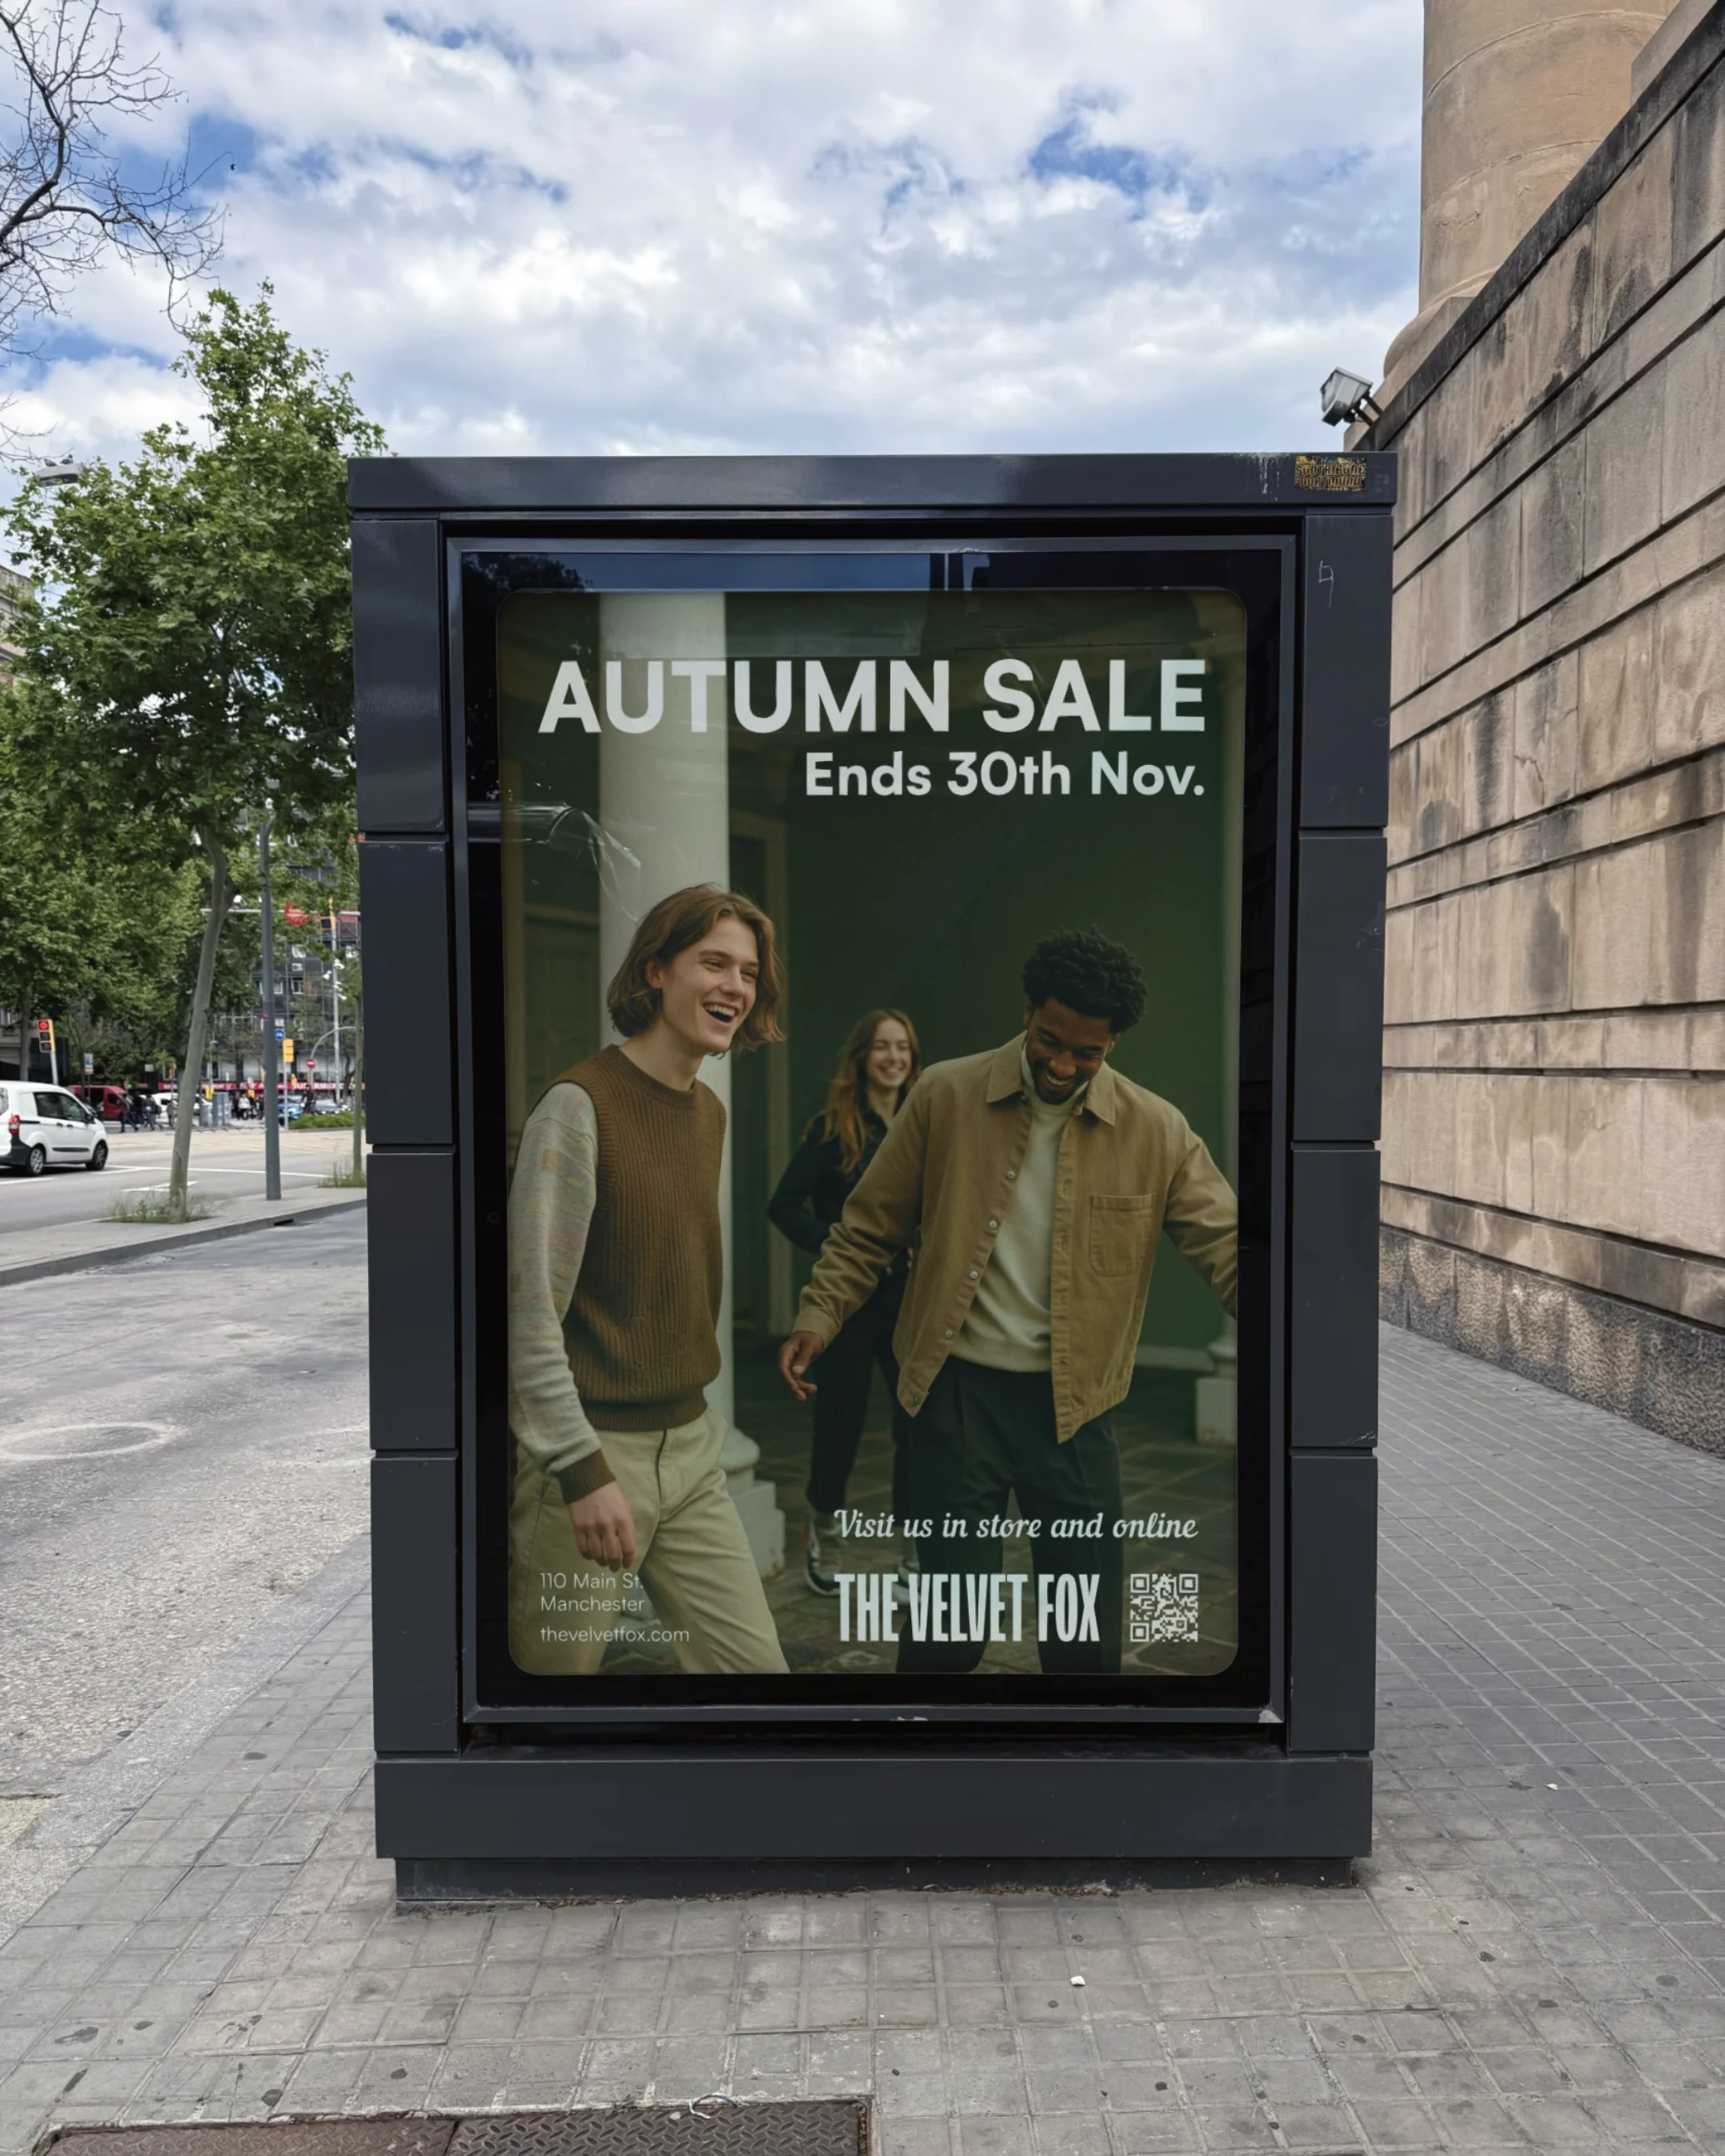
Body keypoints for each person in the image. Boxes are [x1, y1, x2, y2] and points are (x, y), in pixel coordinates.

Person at [779, 928, 1237, 1677]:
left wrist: (1295, 1343)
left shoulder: (1158, 1130)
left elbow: (1227, 1246)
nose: (1061, 1066)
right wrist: (818, 1315)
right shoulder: (945, 1095)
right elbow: (866, 1226)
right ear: (1027, 1010)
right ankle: (927, 1766)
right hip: (957, 1399)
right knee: (947, 1633)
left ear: (1113, 1044)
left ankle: (1073, 1778)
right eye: (1049, 1040)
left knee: (1084, 1641)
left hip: (1079, 1411)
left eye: (1085, 1054)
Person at [509, 882, 791, 1677]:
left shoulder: (708, 1113)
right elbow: (529, 1316)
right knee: (551, 1695)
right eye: (714, 963)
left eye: (747, 973)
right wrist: (579, 1468)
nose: (735, 986)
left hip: (692, 1452)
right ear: (657, 971)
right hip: (596, 1460)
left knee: (755, 1676)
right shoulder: (578, 1107)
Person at [767, 1008, 921, 1595]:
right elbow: (783, 1205)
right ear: (861, 1057)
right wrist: (835, 1243)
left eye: (902, 1047)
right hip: (852, 1304)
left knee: (917, 1426)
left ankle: (914, 1552)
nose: (893, 1058)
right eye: (882, 1047)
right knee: (841, 1425)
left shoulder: (923, 1121)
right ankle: (824, 1530)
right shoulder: (831, 1128)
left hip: (911, 1300)